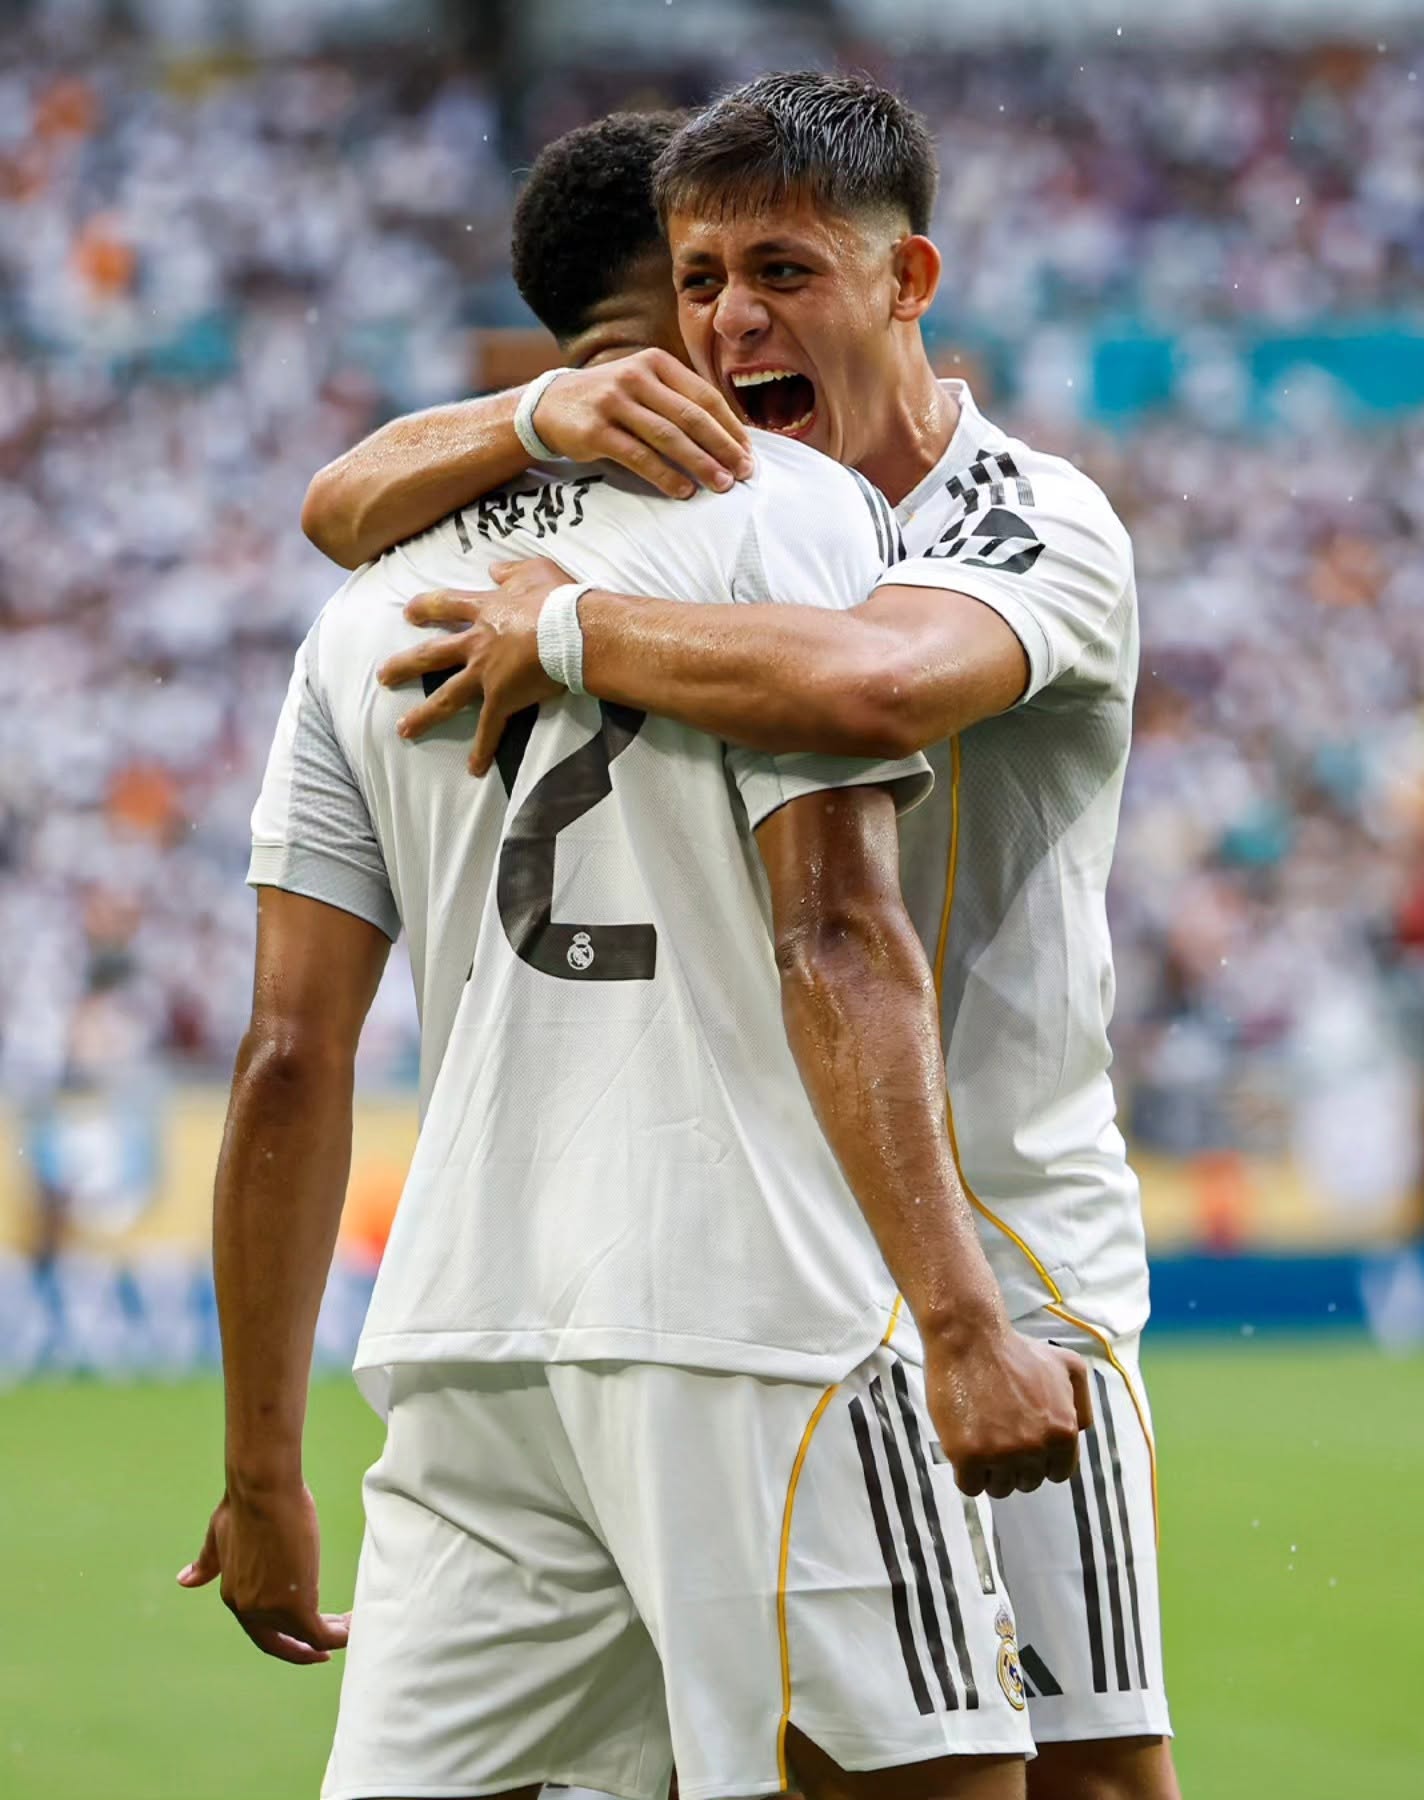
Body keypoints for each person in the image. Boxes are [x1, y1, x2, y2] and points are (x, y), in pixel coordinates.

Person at [181, 109, 1093, 1800]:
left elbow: (288, 1059)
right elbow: (836, 933)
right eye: (719, 276)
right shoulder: (786, 509)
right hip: (758, 1312)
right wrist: (963, 1322)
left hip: (471, 1340)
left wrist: (259, 1474)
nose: (746, 317)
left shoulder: (361, 608)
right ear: (678, 300)